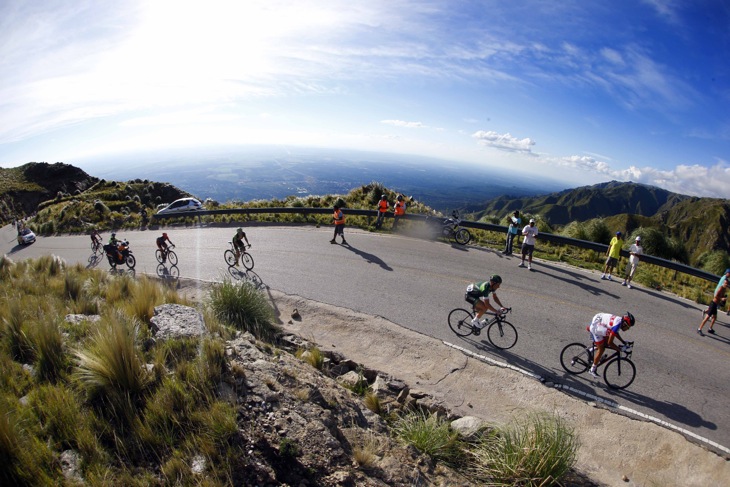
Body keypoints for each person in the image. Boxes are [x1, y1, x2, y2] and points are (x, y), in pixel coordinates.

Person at [587, 311, 635, 378]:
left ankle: (592, 350)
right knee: (602, 349)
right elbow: (610, 343)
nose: (627, 329)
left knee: (607, 339)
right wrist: (620, 349)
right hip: (596, 326)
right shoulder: (617, 325)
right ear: (624, 323)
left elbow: (615, 333)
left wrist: (623, 341)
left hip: (599, 319)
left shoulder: (619, 321)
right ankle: (592, 369)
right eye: (628, 327)